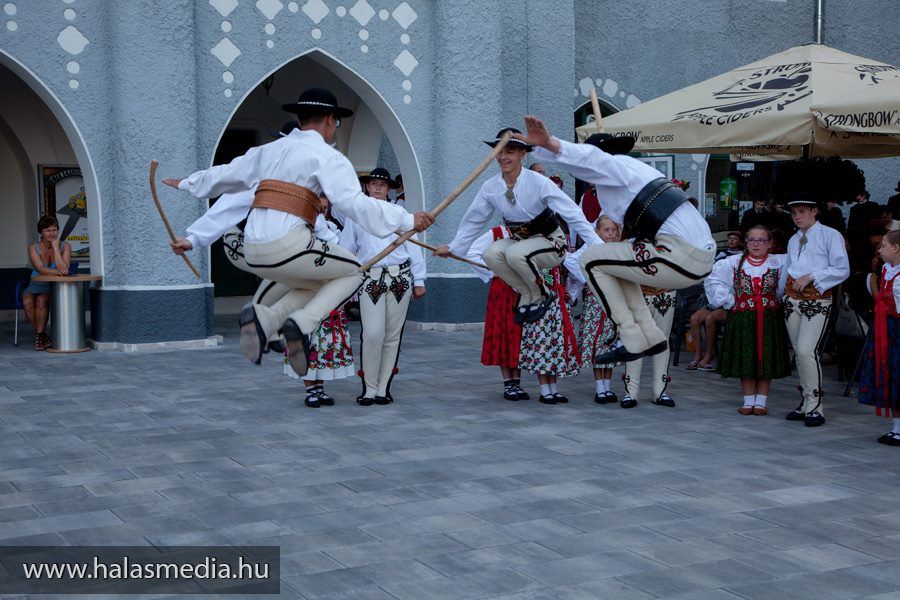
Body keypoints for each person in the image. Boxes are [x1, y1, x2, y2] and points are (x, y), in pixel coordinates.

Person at [164, 87, 434, 377]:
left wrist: (189, 199)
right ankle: (302, 324)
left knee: (316, 281)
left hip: (254, 252)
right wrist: (406, 219)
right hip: (289, 247)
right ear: (331, 121)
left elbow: (227, 181)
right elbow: (356, 205)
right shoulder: (328, 158)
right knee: (353, 272)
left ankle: (268, 319)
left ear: (299, 117)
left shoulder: (267, 152)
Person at [515, 115, 715, 364]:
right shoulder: (634, 175)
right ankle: (649, 335)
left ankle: (632, 337)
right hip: (693, 254)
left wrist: (552, 144)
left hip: (683, 255)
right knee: (614, 262)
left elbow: (594, 160)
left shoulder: (617, 166)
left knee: (590, 261)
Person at [434, 127, 601, 325]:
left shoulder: (539, 182)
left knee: (514, 253)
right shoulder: (491, 187)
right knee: (491, 254)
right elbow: (474, 219)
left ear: (522, 154)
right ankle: (526, 293)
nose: (503, 157)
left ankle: (541, 293)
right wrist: (454, 248)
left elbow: (571, 213)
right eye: (500, 151)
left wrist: (596, 243)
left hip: (552, 244)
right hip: (520, 244)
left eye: (510, 151)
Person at [341, 167, 426, 406]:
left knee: (391, 336)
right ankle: (368, 387)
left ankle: (382, 388)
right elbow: (346, 249)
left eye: (382, 184)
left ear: (388, 189)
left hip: (400, 279)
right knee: (372, 334)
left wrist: (419, 280)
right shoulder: (356, 215)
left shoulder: (400, 213)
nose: (377, 187)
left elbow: (414, 247)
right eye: (373, 184)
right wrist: (345, 279)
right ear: (367, 187)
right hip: (371, 280)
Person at [706, 226, 790, 415]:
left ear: (769, 243)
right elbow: (714, 279)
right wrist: (729, 301)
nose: (756, 244)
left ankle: (761, 401)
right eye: (752, 240)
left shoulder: (778, 262)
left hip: (769, 317)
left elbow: (784, 285)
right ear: (746, 242)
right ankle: (748, 400)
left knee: (765, 356)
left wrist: (776, 299)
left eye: (761, 240)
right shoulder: (734, 262)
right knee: (747, 356)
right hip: (743, 317)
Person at [782, 193, 850, 427]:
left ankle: (816, 405)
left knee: (805, 351)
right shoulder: (793, 239)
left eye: (802, 211)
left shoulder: (830, 235)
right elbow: (789, 269)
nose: (797, 216)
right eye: (794, 212)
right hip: (792, 300)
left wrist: (812, 276)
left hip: (817, 301)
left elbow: (842, 269)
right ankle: (806, 401)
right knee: (799, 354)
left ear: (814, 211)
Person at [466, 226, 528, 401]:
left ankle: (517, 381)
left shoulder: (531, 233)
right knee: (504, 332)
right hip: (502, 290)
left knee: (518, 333)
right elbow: (472, 253)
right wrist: (492, 271)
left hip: (524, 289)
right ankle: (508, 383)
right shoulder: (496, 233)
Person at [567, 215, 621, 404]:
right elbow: (571, 261)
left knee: (610, 343)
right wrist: (587, 279)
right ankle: (600, 388)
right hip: (595, 304)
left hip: (613, 305)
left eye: (613, 230)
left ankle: (607, 386)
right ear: (597, 231)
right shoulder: (590, 248)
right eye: (606, 230)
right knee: (597, 344)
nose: (611, 233)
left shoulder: (617, 250)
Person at [858, 230, 900, 444]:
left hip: (896, 330)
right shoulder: (886, 269)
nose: (879, 249)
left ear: (896, 248)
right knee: (891, 376)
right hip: (886, 330)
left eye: (883, 245)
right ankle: (897, 427)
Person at [518, 265, 580, 404]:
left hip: (558, 306)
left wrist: (568, 293)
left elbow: (572, 277)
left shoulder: (559, 260)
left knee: (555, 347)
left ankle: (554, 388)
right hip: (542, 306)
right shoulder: (533, 260)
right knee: (543, 345)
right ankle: (544, 389)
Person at [22, 215, 71, 351]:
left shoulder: (65, 246)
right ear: (41, 233)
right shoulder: (34, 247)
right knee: (27, 302)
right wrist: (61, 272)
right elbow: (40, 269)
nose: (52, 233)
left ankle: (39, 337)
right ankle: (42, 335)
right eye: (48, 230)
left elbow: (64, 267)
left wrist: (56, 248)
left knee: (42, 300)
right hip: (36, 283)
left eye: (54, 230)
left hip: (54, 286)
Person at [685, 302, 727, 371]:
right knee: (694, 319)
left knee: (709, 319)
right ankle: (698, 355)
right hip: (711, 306)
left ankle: (709, 355)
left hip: (727, 307)